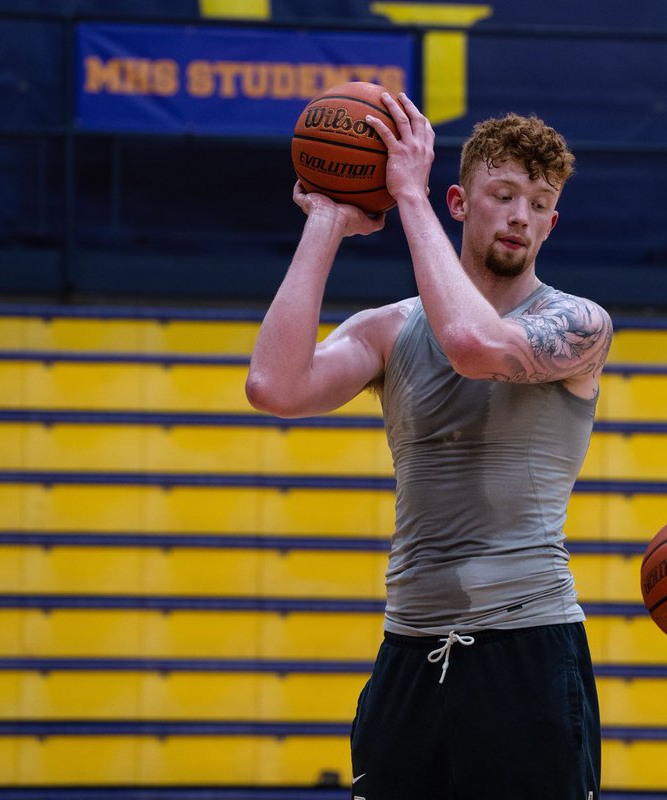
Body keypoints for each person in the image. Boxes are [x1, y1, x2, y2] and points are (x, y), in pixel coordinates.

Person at [246, 92, 611, 800]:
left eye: (539, 204)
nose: (519, 216)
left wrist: (404, 195)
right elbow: (274, 387)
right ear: (459, 202)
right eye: (502, 195)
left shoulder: (577, 323)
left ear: (553, 223)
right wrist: (326, 223)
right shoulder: (389, 328)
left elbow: (475, 346)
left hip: (526, 644)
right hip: (410, 646)